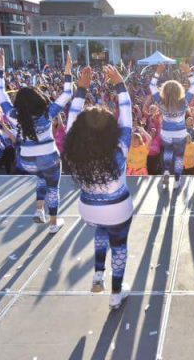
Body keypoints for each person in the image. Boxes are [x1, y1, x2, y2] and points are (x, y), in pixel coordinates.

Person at [63, 65, 133, 309]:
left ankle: (97, 273)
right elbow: (127, 116)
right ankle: (116, 293)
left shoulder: (72, 151)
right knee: (120, 243)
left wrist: (81, 89)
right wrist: (119, 84)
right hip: (117, 208)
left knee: (101, 228)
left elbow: (71, 123)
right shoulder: (120, 149)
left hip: (88, 209)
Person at [0, 48, 72, 233]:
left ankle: (39, 210)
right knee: (53, 187)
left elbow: (0, 93)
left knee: (40, 177)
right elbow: (67, 94)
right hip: (48, 157)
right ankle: (53, 223)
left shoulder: (14, 115)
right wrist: (67, 71)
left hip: (26, 161)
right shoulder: (47, 114)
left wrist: (1, 68)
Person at [149, 63, 194, 190]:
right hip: (180, 133)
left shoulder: (161, 102)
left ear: (164, 91)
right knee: (179, 156)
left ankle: (165, 171)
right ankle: (176, 180)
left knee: (168, 151)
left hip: (166, 132)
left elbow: (151, 86)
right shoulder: (184, 102)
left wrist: (158, 72)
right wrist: (188, 72)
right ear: (179, 90)